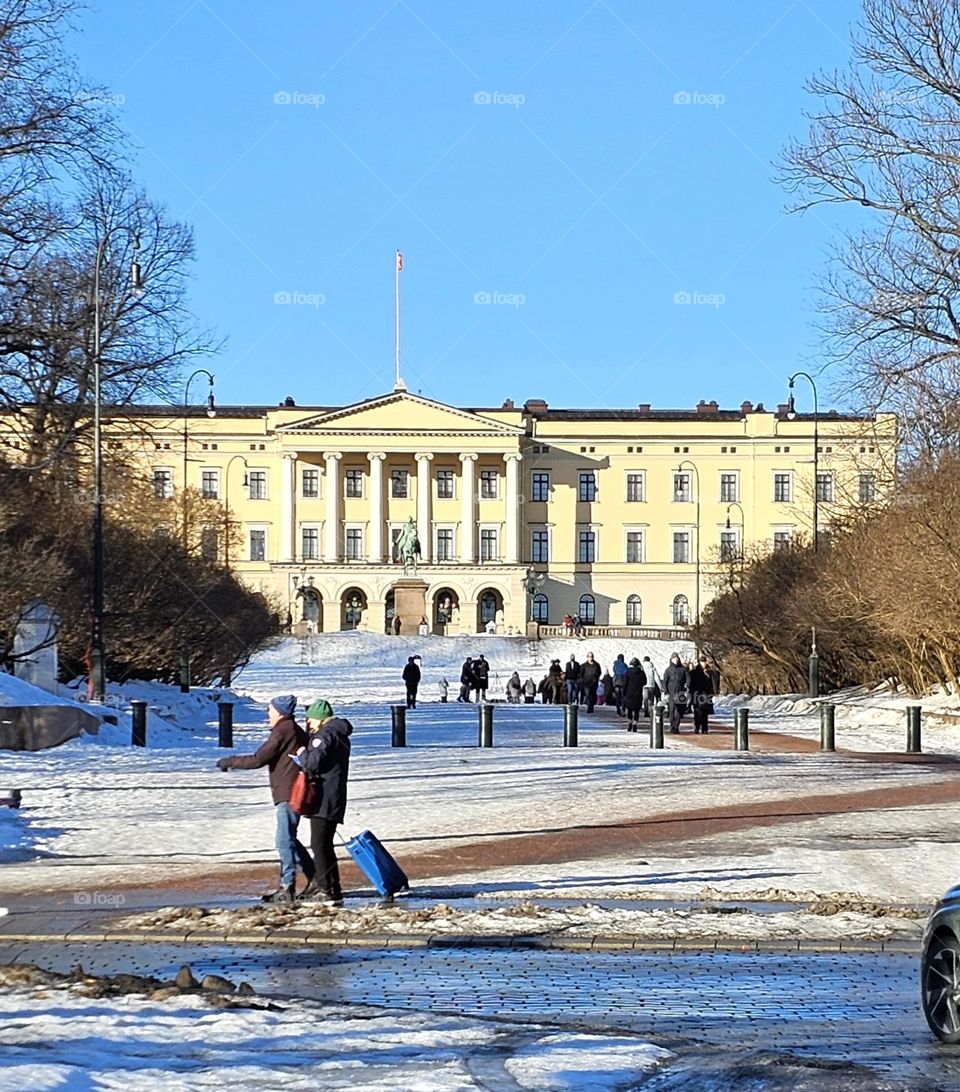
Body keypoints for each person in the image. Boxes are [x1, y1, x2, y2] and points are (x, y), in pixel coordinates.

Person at [216, 694, 315, 903]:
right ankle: (312, 876)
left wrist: (229, 761)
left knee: (283, 840)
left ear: (279, 712)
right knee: (288, 838)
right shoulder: (292, 729)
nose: (267, 714)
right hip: (290, 791)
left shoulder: (283, 731)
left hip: (288, 793)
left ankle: (287, 887)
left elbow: (258, 759)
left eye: (269, 710)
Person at [294, 698, 352, 906]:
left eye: (310, 718)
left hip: (324, 797)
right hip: (333, 795)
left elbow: (313, 763)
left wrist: (302, 755)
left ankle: (327, 889)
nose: (308, 722)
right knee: (324, 844)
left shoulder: (325, 735)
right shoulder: (338, 734)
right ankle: (330, 886)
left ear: (319, 719)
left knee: (319, 844)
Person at [662, 652, 690, 733]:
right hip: (671, 692)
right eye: (674, 659)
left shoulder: (683, 669)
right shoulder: (668, 670)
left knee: (680, 710)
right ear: (671, 660)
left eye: (677, 658)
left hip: (681, 691)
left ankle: (676, 726)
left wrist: (687, 686)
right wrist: (665, 691)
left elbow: (688, 678)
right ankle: (672, 726)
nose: (676, 660)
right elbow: (665, 681)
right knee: (671, 709)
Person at [689, 657, 715, 734]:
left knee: (705, 711)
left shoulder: (709, 672)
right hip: (697, 694)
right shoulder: (694, 672)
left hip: (706, 694)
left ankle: (704, 728)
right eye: (702, 662)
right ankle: (697, 727)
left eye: (704, 662)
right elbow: (691, 684)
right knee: (697, 711)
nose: (704, 663)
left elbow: (713, 682)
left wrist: (712, 692)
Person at [623, 658, 647, 731]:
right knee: (636, 711)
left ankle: (629, 723)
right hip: (638, 693)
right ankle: (635, 724)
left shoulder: (628, 672)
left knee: (629, 710)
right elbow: (645, 682)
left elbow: (625, 683)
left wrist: (624, 692)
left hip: (629, 693)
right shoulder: (641, 673)